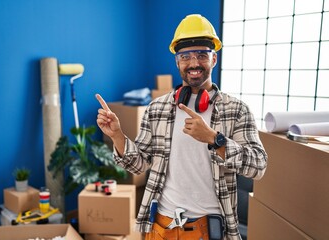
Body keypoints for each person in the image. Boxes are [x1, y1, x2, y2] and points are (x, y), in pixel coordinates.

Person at [96, 14, 267, 240]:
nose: (194, 63)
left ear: (213, 59)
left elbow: (258, 166)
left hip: (209, 230)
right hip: (160, 228)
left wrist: (215, 139)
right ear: (177, 61)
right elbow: (139, 165)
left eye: (201, 55)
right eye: (185, 56)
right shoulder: (157, 109)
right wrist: (117, 136)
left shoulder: (236, 110)